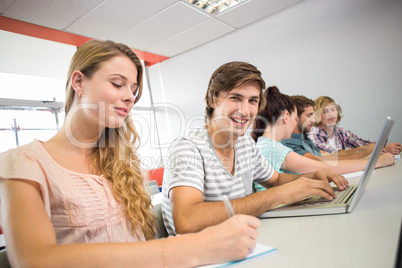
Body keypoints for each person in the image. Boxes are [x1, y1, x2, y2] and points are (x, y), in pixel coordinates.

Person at [0, 40, 262, 267]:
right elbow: (33, 260)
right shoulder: (23, 162)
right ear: (78, 82)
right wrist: (196, 247)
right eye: (117, 84)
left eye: (133, 90)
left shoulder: (122, 162)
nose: (129, 97)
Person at [162, 61, 348, 236]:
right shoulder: (188, 148)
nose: (245, 111)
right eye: (235, 98)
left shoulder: (245, 144)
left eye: (253, 100)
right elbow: (186, 221)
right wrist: (277, 196)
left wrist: (311, 178)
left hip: (242, 241)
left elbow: (275, 181)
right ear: (212, 99)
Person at [250, 87, 394, 178]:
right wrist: (376, 162)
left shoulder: (268, 145)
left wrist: (368, 157)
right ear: (286, 117)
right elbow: (324, 166)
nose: (294, 123)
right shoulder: (271, 148)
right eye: (295, 118)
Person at [282, 95, 378, 160]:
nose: (313, 120)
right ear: (295, 117)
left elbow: (332, 156)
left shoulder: (304, 138)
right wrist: (371, 155)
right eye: (309, 116)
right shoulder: (289, 143)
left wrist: (371, 150)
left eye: (333, 110)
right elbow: (324, 161)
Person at [308, 96, 402, 155]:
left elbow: (362, 143)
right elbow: (338, 155)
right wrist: (380, 150)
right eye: (325, 111)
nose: (331, 114)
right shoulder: (313, 133)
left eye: (333, 110)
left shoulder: (340, 131)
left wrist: (381, 147)